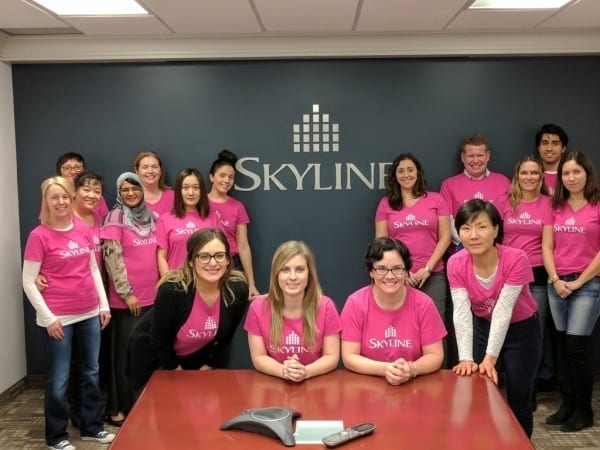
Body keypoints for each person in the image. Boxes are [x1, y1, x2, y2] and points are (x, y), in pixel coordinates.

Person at [22, 176, 115, 450]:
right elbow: (28, 280)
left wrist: (103, 304)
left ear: (71, 198)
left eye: (64, 196)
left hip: (89, 312)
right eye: (54, 197)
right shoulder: (38, 236)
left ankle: (92, 427)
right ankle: (56, 436)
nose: (61, 202)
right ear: (46, 201)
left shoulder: (83, 229)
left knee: (91, 372)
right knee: (60, 378)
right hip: (57, 318)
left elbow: (93, 269)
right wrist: (48, 318)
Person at [448, 199, 540, 437]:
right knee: (480, 392)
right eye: (466, 228)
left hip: (522, 331)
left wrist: (490, 358)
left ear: (496, 229)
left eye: (482, 226)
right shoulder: (455, 263)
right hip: (482, 327)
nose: (474, 235)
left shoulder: (516, 258)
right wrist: (467, 358)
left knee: (519, 398)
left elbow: (503, 311)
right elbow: (460, 312)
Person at [126, 228, 249, 391]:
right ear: (191, 260)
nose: (213, 263)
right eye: (204, 256)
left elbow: (227, 335)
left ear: (228, 259)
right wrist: (178, 374)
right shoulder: (172, 290)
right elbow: (159, 340)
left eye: (219, 255)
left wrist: (208, 365)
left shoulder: (238, 290)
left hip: (194, 357)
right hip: (155, 357)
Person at [542, 151, 600, 432]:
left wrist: (579, 282)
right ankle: (567, 404)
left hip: (588, 285)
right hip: (558, 284)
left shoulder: (598, 206)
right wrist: (555, 279)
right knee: (562, 346)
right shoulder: (556, 207)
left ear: (587, 174)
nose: (571, 177)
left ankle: (584, 410)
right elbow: (546, 247)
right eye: (566, 173)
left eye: (577, 172)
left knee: (577, 348)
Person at [340, 237, 446, 385]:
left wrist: (411, 369)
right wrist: (386, 369)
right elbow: (349, 357)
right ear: (371, 271)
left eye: (397, 269)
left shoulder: (424, 304)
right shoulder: (355, 303)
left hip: (413, 387)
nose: (389, 276)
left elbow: (435, 355)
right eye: (381, 269)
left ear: (406, 271)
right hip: (367, 388)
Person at [495, 155, 554, 404]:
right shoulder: (503, 203)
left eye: (534, 173)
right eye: (524, 173)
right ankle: (500, 386)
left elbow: (549, 243)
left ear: (541, 177)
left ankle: (527, 390)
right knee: (502, 327)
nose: (529, 177)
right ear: (516, 176)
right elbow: (494, 238)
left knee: (533, 332)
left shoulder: (550, 204)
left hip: (537, 274)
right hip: (506, 273)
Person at [101, 172, 158, 427]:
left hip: (152, 297)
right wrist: (127, 294)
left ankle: (141, 405)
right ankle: (118, 408)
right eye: (125, 190)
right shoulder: (115, 217)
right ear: (118, 193)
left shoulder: (152, 217)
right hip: (128, 301)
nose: (131, 193)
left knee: (144, 355)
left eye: (134, 188)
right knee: (124, 357)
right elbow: (112, 259)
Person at [244, 241, 341, 382]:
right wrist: (284, 371)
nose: (293, 277)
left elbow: (331, 357)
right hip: (275, 384)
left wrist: (306, 372)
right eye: (285, 270)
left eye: (300, 269)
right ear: (276, 274)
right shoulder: (258, 307)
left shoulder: (326, 306)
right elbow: (259, 357)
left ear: (309, 274)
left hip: (315, 383)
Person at [375, 153, 451, 326]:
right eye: (400, 171)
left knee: (435, 326)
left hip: (433, 275)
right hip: (397, 276)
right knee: (402, 326)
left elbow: (445, 237)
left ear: (418, 173)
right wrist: (402, 271)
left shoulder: (436, 199)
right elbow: (381, 243)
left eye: (410, 170)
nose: (406, 175)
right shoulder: (386, 204)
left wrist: (428, 268)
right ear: (395, 176)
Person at [440, 133, 511, 250]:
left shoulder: (504, 182)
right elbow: (448, 224)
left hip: (496, 250)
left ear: (488, 156)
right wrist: (471, 241)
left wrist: (488, 242)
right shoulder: (449, 185)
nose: (476, 160)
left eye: (480, 155)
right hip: (461, 251)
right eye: (470, 156)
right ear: (463, 157)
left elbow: (508, 220)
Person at [208, 150, 260, 298]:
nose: (226, 181)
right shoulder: (200, 203)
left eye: (231, 177)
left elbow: (243, 245)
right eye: (222, 175)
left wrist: (251, 283)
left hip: (231, 265)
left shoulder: (238, 207)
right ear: (211, 177)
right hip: (205, 263)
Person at [157, 168, 216, 275]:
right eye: (185, 188)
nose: (191, 192)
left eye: (196, 188)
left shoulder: (213, 218)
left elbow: (220, 253)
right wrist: (168, 283)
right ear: (179, 191)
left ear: (202, 191)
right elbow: (161, 256)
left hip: (207, 282)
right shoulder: (165, 220)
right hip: (177, 283)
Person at [55, 152, 109, 216]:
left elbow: (105, 220)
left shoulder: (95, 196)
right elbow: (47, 220)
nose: (73, 172)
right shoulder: (54, 195)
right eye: (67, 168)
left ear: (84, 170)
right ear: (59, 172)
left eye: (77, 167)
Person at [133, 150, 174, 218]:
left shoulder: (174, 197)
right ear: (137, 171)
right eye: (145, 167)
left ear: (160, 170)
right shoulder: (131, 198)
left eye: (154, 167)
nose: (150, 171)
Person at [535, 123, 569, 195]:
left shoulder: (571, 176)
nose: (549, 148)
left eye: (555, 143)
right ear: (538, 148)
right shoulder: (530, 176)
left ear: (563, 148)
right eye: (545, 143)